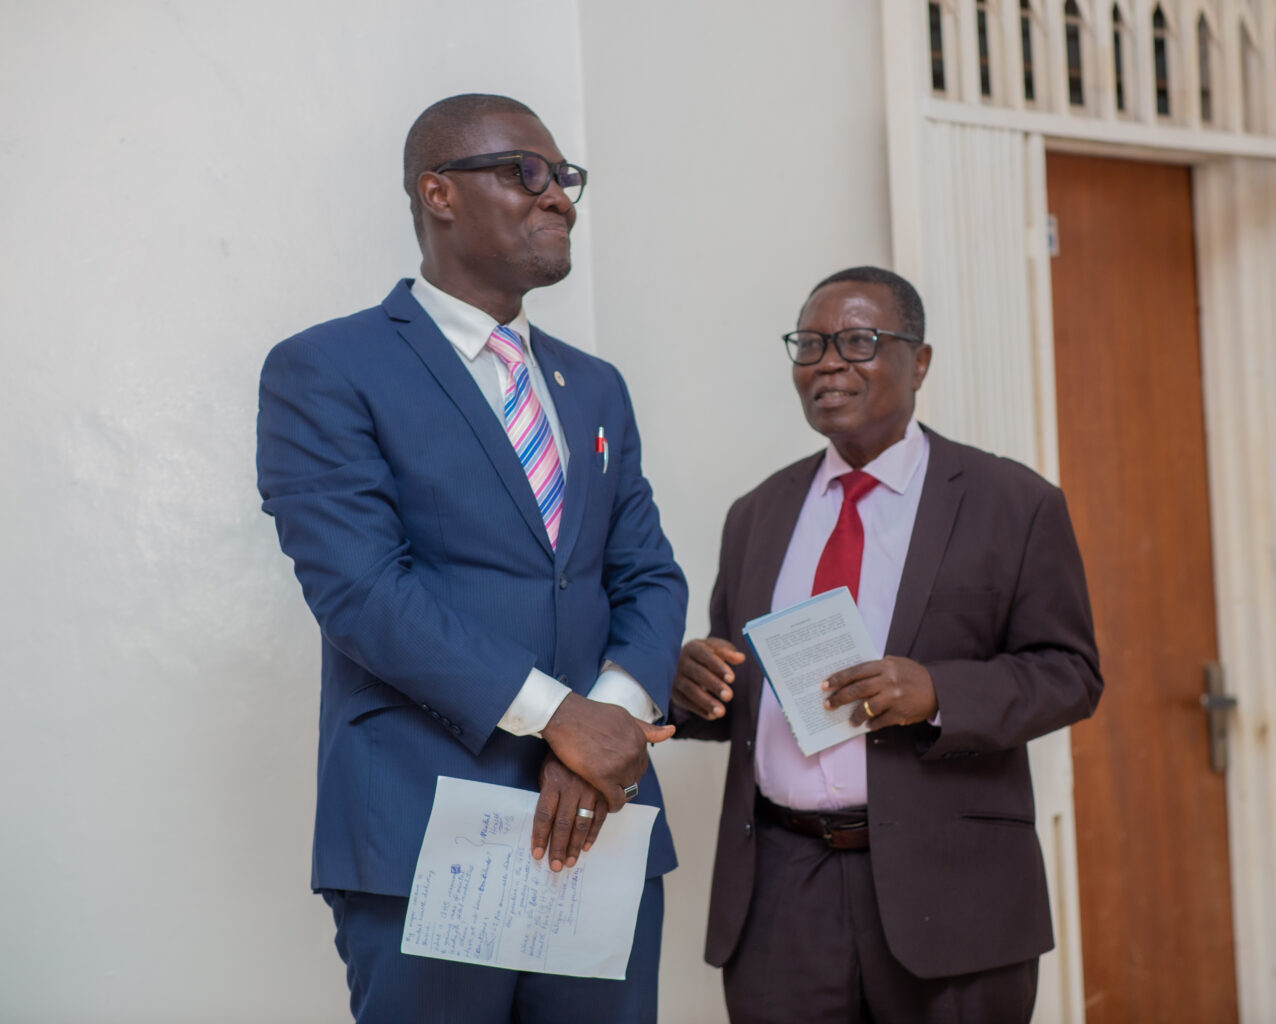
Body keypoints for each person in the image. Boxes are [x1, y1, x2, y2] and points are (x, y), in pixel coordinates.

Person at [256, 94, 686, 1024]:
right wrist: (558, 716)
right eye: (527, 172)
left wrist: (605, 726)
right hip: (427, 830)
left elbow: (647, 574)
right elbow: (362, 590)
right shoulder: (326, 369)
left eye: (565, 178)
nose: (558, 196)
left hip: (603, 829)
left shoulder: (595, 387)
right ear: (438, 193)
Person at [671, 266, 1103, 1022]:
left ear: (920, 361)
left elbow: (1070, 673)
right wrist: (690, 686)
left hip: (952, 892)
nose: (827, 363)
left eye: (858, 342)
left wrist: (938, 692)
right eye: (810, 344)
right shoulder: (757, 514)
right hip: (782, 892)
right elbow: (742, 696)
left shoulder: (1013, 503)